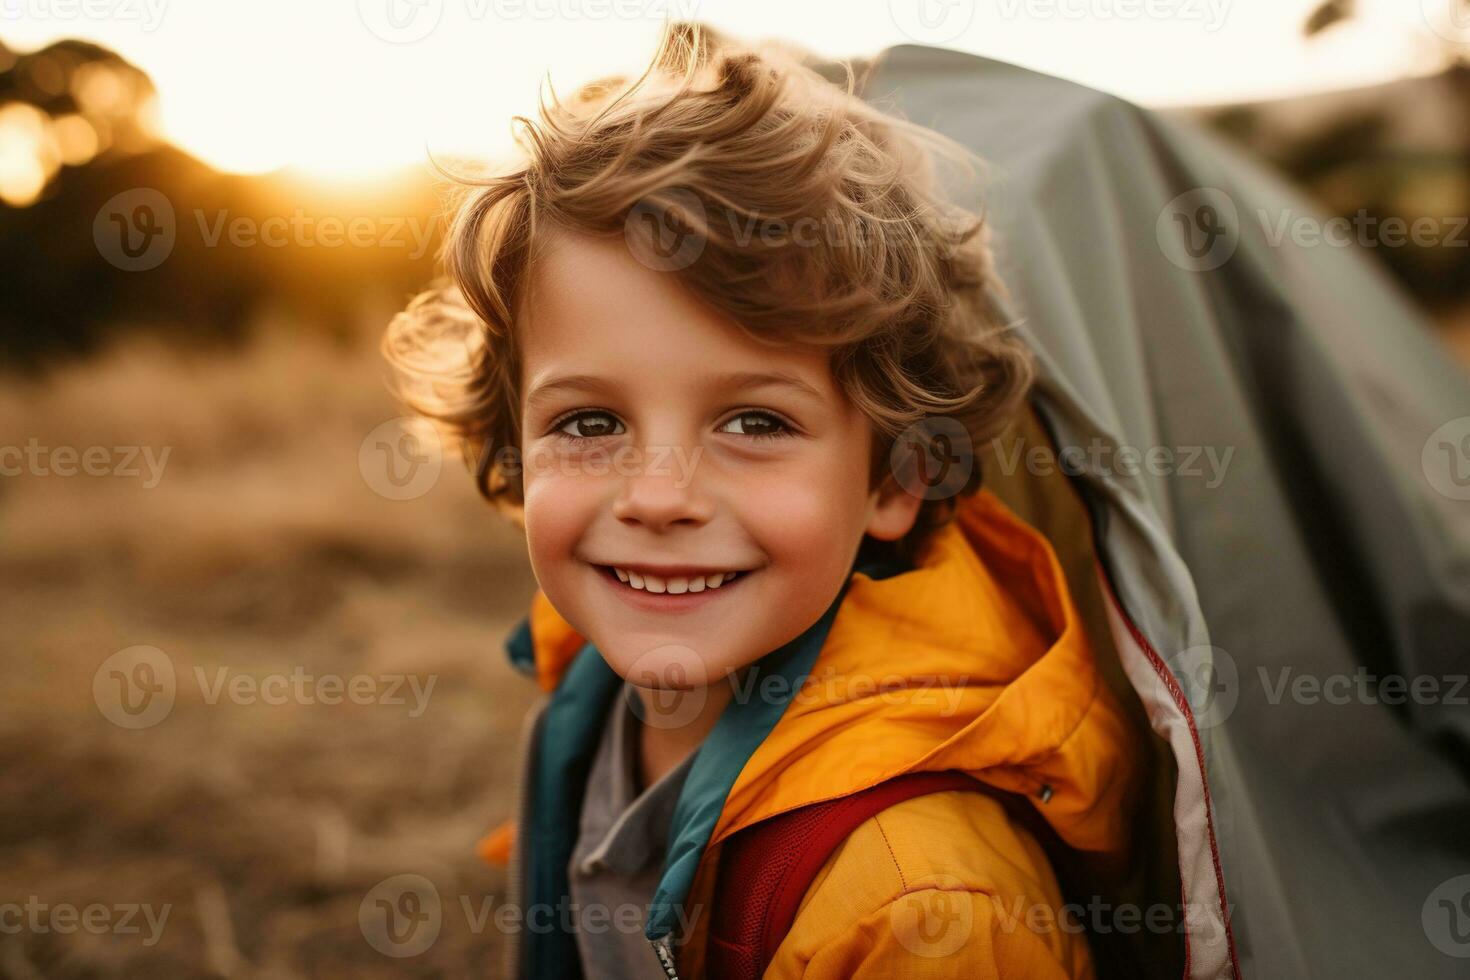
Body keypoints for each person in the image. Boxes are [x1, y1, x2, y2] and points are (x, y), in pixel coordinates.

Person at [384, 21, 1140, 979]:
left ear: (898, 478)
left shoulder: (925, 909)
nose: (659, 498)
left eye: (754, 424)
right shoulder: (586, 701)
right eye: (586, 424)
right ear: (514, 448)